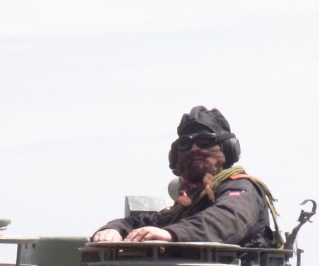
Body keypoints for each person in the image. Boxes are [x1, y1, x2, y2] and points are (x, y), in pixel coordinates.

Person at [92, 106, 280, 247]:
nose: (195, 148)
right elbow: (146, 222)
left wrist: (172, 235)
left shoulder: (241, 188)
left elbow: (226, 219)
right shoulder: (189, 201)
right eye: (185, 143)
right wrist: (114, 229)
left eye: (205, 142)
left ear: (227, 149)